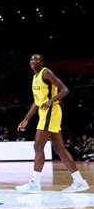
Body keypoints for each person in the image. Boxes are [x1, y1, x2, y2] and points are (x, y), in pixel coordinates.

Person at [16, 54, 89, 193]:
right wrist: (26, 119)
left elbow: (65, 89)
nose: (33, 61)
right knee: (59, 148)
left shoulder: (46, 72)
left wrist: (50, 101)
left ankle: (35, 183)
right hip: (45, 113)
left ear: (42, 62)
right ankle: (79, 181)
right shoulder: (34, 78)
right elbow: (37, 103)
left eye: (36, 59)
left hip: (52, 111)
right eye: (31, 59)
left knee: (38, 146)